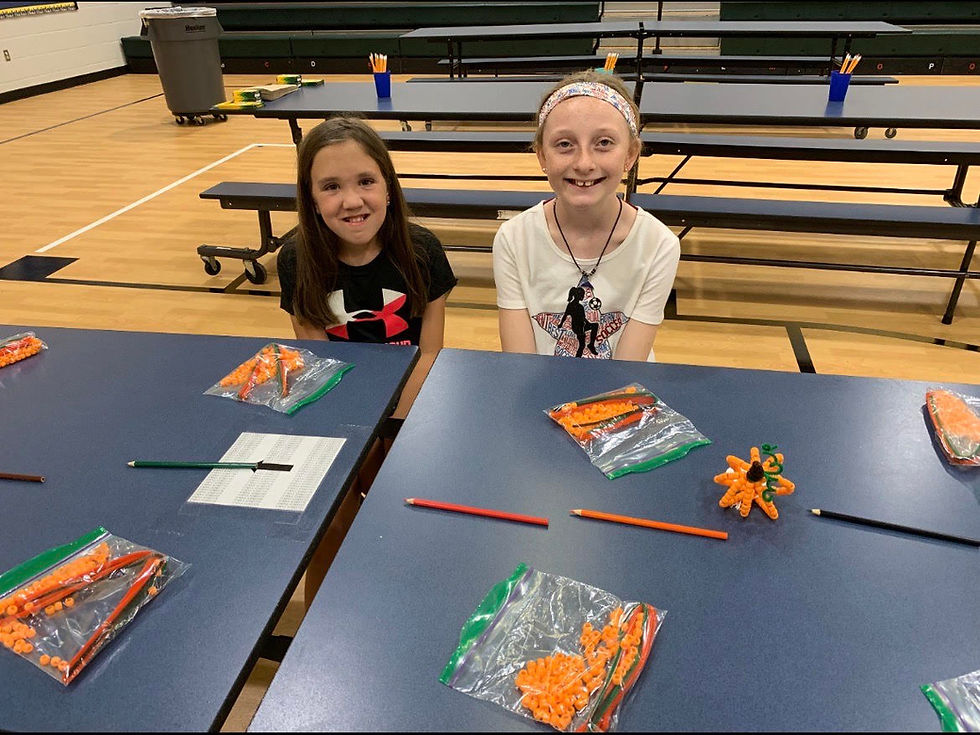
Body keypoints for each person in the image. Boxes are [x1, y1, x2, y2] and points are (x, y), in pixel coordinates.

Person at [276, 116, 456, 602]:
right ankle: (321, 619)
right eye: (331, 187)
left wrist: (388, 434)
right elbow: (318, 364)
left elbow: (429, 354)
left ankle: (406, 595)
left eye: (365, 182)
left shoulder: (422, 250)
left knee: (399, 503)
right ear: (311, 198)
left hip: (406, 407)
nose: (351, 201)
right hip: (341, 408)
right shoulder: (296, 259)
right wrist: (357, 440)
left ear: (388, 187)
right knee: (331, 515)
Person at [493, 71, 680, 361]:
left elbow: (627, 369)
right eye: (564, 144)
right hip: (539, 381)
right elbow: (521, 364)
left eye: (603, 143)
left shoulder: (659, 245)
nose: (584, 163)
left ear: (630, 154)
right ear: (542, 156)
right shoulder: (513, 239)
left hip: (620, 385)